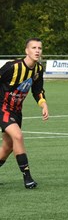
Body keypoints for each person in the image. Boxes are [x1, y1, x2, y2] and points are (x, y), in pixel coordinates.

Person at [0, 38, 49, 189]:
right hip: (2, 108)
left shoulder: (38, 69)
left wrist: (43, 104)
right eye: (33, 48)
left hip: (16, 111)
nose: (37, 51)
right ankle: (27, 178)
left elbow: (37, 90)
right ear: (26, 51)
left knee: (8, 146)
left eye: (39, 48)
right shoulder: (12, 67)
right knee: (18, 136)